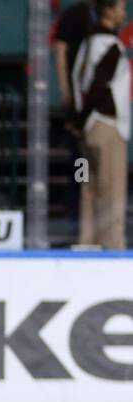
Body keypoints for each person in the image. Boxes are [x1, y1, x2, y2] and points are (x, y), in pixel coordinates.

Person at [73, 0, 129, 248]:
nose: (123, 13)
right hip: (106, 127)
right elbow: (98, 86)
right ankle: (111, 246)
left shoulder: (87, 43)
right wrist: (85, 117)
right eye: (120, 7)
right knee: (112, 189)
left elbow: (80, 82)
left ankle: (86, 240)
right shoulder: (111, 46)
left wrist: (78, 121)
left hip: (87, 131)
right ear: (108, 10)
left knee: (87, 187)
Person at [54, 0, 98, 115]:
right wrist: (64, 89)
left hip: (98, 88)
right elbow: (60, 50)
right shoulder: (73, 14)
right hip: (77, 85)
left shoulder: (104, 15)